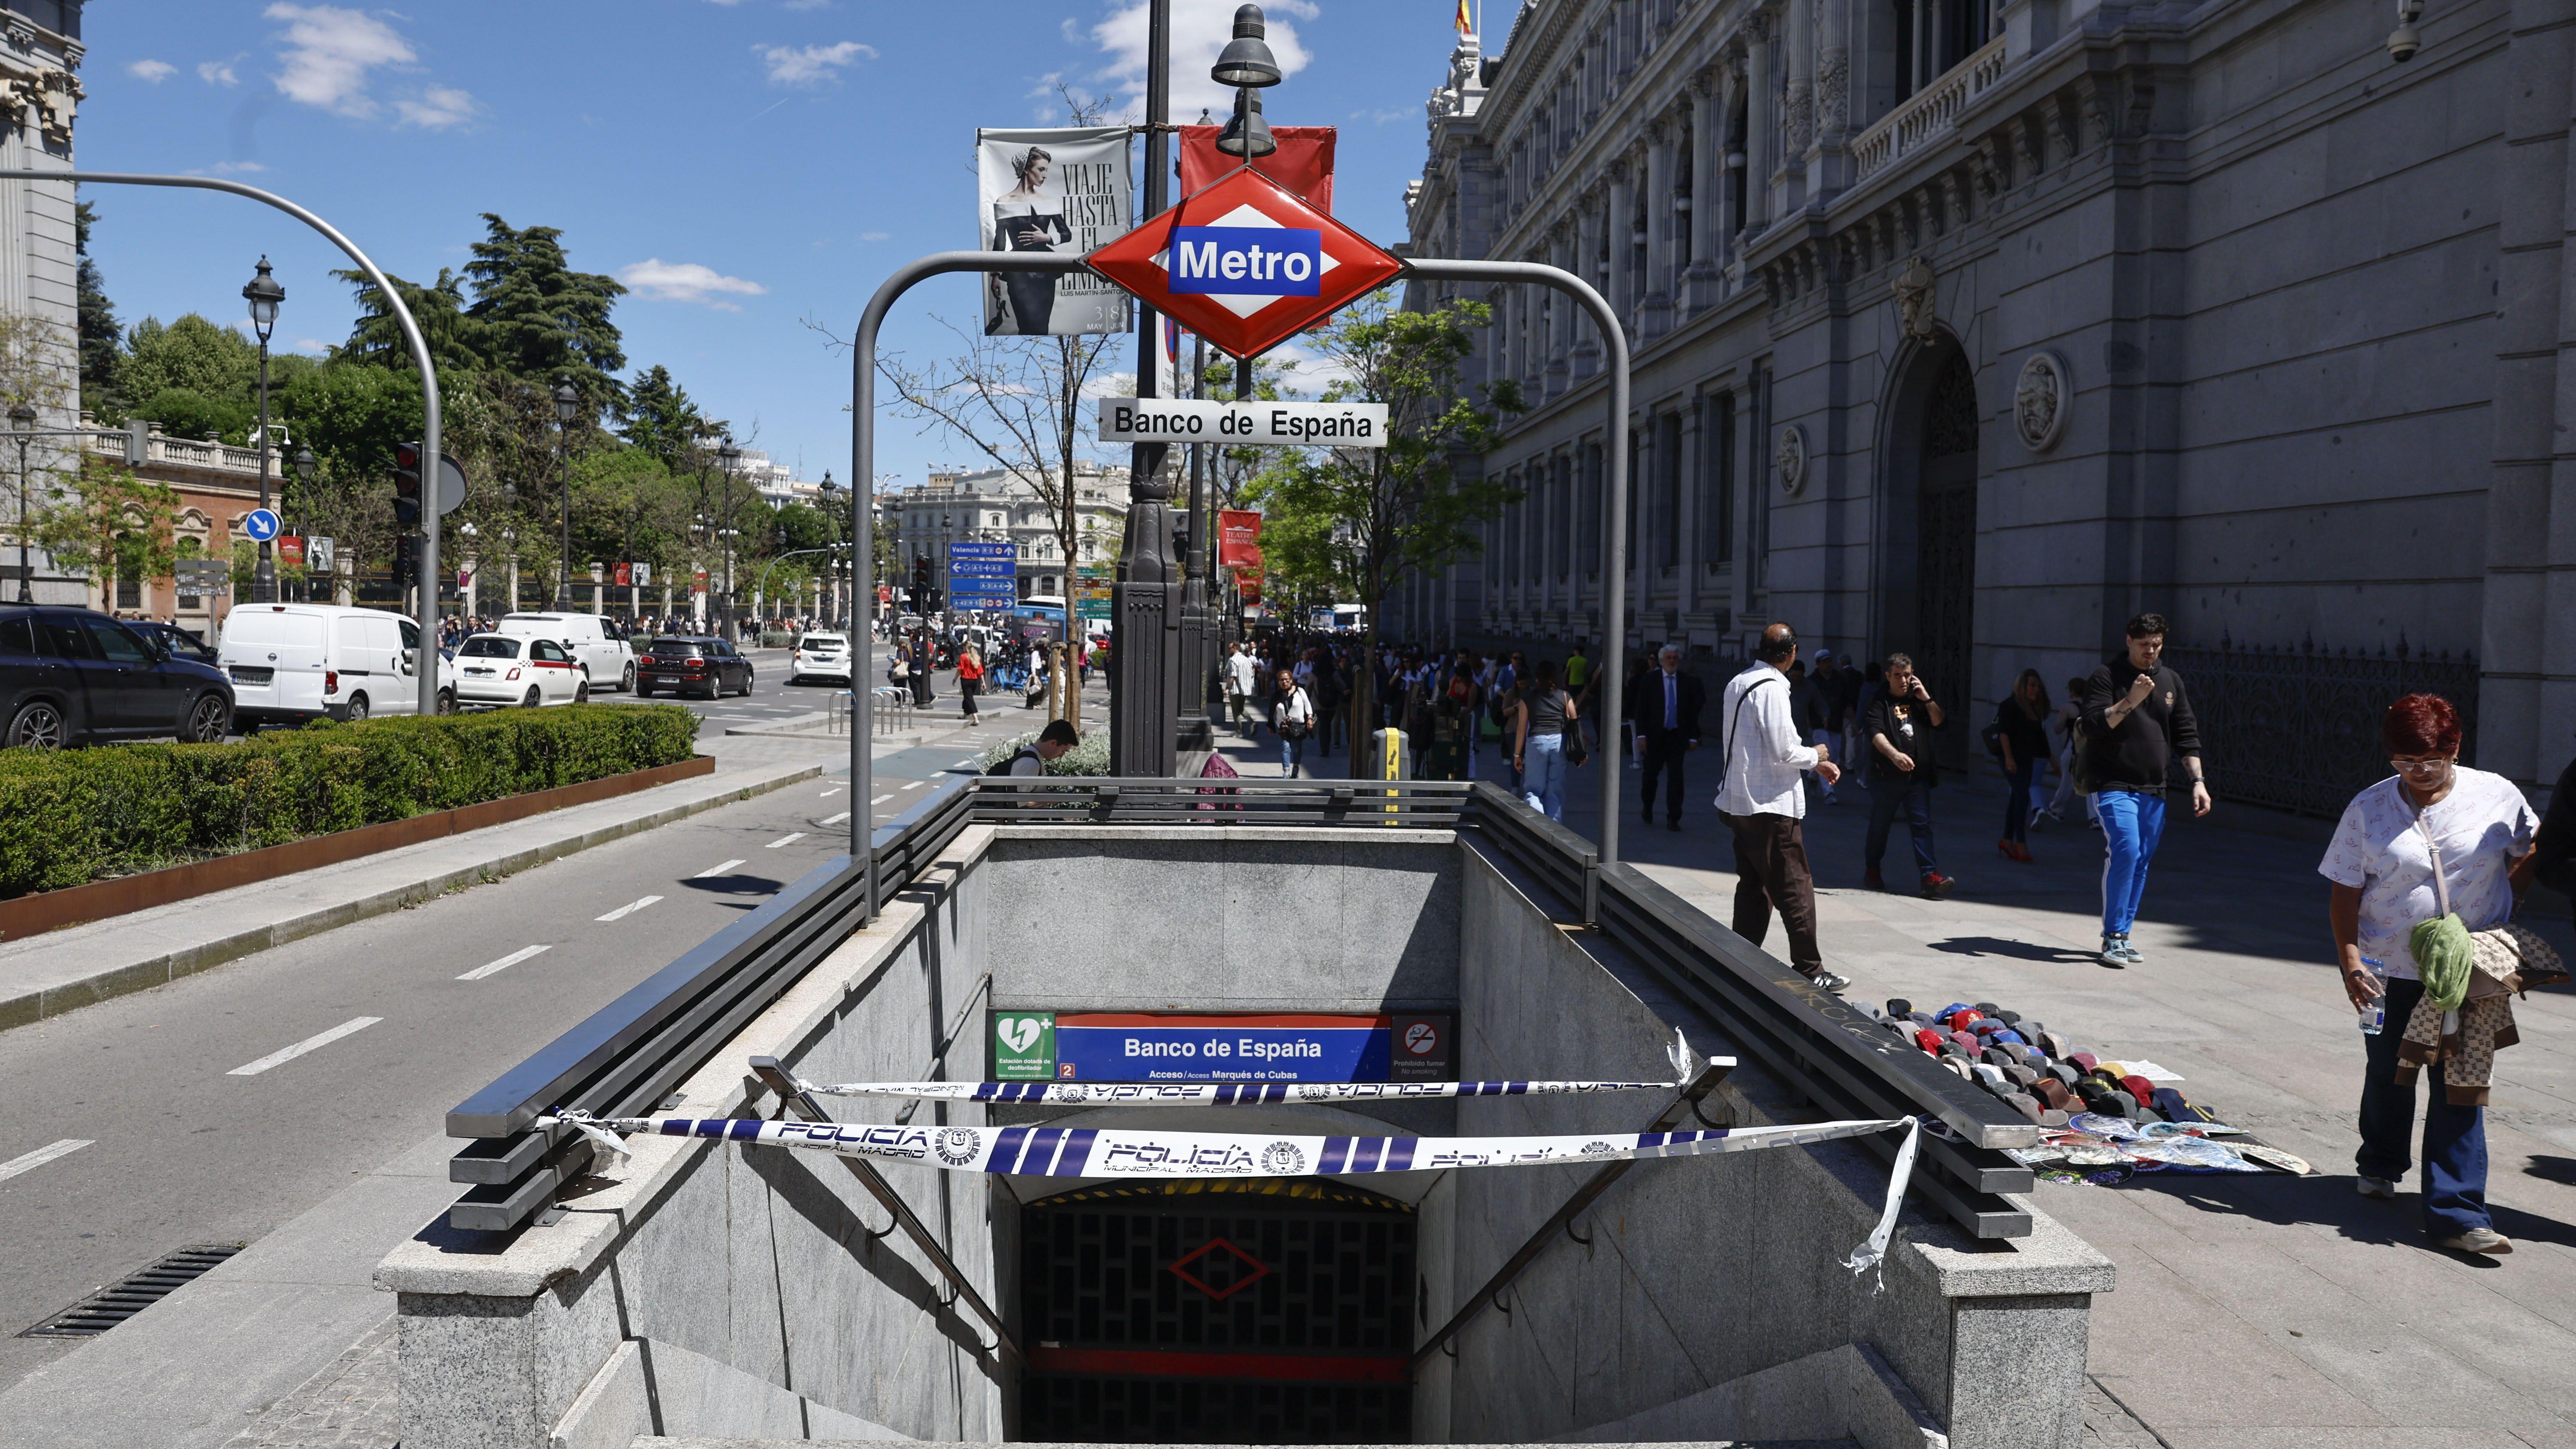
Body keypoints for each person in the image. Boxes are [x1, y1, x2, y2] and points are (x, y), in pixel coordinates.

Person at [2322, 694, 2538, 1255]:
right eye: (2403, 761)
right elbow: (2344, 890)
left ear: (2455, 748)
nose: (2416, 772)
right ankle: (2380, 1160)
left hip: (2469, 968)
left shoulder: (2495, 795)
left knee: (2459, 1082)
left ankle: (2459, 1213)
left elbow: (2528, 847)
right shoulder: (2367, 808)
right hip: (2384, 969)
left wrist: (2507, 902)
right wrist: (2350, 960)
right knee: (2388, 1071)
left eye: (2430, 761)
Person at [1716, 624, 1848, 992]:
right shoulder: (1772, 689)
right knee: (1794, 887)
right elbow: (1784, 751)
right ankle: (1811, 969)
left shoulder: (1738, 682)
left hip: (1741, 802)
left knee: (1754, 885)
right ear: (1791, 653)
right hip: (1769, 805)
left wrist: (1814, 764)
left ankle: (1740, 958)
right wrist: (1817, 755)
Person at [2080, 613, 2209, 966]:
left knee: (2141, 860)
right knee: (2126, 849)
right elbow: (2092, 725)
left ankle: (2123, 935)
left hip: (2153, 786)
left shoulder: (2170, 680)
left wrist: (2198, 782)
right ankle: (2111, 936)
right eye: (2143, 644)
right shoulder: (2106, 676)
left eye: (2156, 644)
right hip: (2112, 782)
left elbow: (2186, 735)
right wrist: (2131, 699)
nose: (2150, 651)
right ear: (2128, 641)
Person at [1862, 654, 1953, 897]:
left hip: (1917, 778)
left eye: (1907, 675)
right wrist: (1895, 755)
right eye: (1898, 676)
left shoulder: (1919, 701)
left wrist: (1927, 699)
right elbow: (1875, 733)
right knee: (1880, 827)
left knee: (1922, 827)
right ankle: (1873, 868)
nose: (1903, 681)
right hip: (1887, 778)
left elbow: (1940, 723)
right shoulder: (1879, 702)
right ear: (1888, 676)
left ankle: (1930, 876)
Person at [989, 145, 1072, 335]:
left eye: (1046, 170)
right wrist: (995, 276)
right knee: (1025, 324)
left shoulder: (1048, 201)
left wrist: (1047, 237)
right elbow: (1000, 241)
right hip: (1018, 271)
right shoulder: (1004, 202)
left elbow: (1066, 234)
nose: (1045, 175)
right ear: (1026, 169)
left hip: (1045, 270)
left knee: (1042, 325)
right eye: (1041, 169)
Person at [1630, 645, 1704, 831]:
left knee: (1676, 779)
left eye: (1675, 658)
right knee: (1650, 776)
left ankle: (1674, 817)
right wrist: (1641, 735)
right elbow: (1641, 709)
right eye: (1669, 658)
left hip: (1677, 737)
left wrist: (1694, 737)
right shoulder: (1650, 680)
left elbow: (1692, 712)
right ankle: (1648, 806)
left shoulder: (1686, 682)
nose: (1672, 661)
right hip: (1655, 737)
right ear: (1662, 661)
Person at [1994, 669, 2051, 861]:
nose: (2036, 690)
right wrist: (2009, 758)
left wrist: (2053, 762)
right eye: (2032, 685)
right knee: (2023, 796)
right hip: (2010, 757)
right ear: (2022, 686)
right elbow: (2004, 733)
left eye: (2038, 686)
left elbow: (2041, 738)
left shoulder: (2034, 709)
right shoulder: (2009, 705)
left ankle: (2006, 840)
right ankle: (2021, 842)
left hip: (2027, 759)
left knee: (2017, 798)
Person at [1513, 658, 1576, 820]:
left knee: (1533, 790)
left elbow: (1521, 729)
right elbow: (1574, 720)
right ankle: (1555, 829)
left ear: (1537, 678)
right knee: (1555, 790)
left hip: (1537, 742)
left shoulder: (1527, 697)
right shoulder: (1565, 696)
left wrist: (1518, 755)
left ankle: (1537, 827)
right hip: (1558, 742)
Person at [1271, 667, 1315, 777]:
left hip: (1298, 725)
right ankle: (1286, 771)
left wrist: (1310, 718)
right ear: (1279, 682)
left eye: (1287, 680)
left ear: (1291, 680)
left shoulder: (1300, 691)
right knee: (1286, 748)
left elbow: (1307, 705)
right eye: (1282, 680)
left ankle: (1296, 767)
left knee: (1296, 749)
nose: (1284, 682)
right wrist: (1270, 725)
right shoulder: (1277, 695)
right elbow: (1271, 711)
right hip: (1284, 726)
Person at [1004, 718, 1081, 776]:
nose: (1062, 755)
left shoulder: (1031, 754)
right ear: (1053, 743)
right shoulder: (1031, 763)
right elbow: (1020, 793)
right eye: (1063, 751)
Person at [956, 645, 985, 726]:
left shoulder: (963, 657)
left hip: (966, 680)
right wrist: (983, 682)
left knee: (969, 699)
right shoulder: (976, 657)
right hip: (975, 681)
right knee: (967, 697)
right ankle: (965, 715)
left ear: (965, 648)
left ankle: (976, 719)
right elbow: (980, 671)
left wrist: (955, 679)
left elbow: (960, 669)